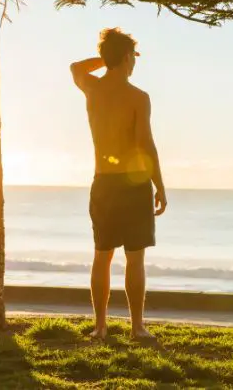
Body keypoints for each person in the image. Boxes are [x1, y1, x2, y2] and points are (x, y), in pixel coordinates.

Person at [70, 27, 167, 341]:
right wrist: (159, 185)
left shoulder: (92, 89)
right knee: (135, 257)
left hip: (103, 183)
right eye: (132, 57)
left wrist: (105, 59)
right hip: (133, 185)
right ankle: (137, 328)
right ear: (127, 57)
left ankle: (100, 327)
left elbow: (76, 67)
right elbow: (146, 145)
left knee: (102, 255)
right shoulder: (138, 97)